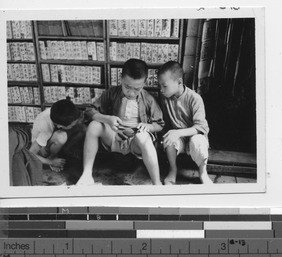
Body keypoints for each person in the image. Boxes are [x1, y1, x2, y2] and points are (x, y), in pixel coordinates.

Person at [77, 58, 164, 186]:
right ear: (121, 79)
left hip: (136, 141)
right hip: (114, 136)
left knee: (143, 136)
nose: (131, 92)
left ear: (144, 83)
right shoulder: (112, 92)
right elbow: (90, 111)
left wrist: (149, 126)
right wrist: (107, 119)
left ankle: (157, 184)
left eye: (137, 89)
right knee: (94, 126)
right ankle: (86, 174)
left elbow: (160, 124)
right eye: (127, 86)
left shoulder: (149, 99)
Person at [158, 61, 213, 185]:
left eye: (164, 86)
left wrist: (177, 133)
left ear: (179, 82)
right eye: (159, 86)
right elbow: (165, 124)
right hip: (179, 139)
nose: (161, 90)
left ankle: (203, 172)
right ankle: (173, 170)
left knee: (198, 141)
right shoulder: (164, 98)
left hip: (195, 135)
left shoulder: (195, 98)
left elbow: (201, 127)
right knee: (169, 139)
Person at [30, 99, 83, 172]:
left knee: (80, 129)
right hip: (42, 149)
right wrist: (51, 162)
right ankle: (51, 158)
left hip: (51, 136)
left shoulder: (58, 112)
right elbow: (31, 153)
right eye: (71, 125)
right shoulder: (45, 129)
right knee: (61, 137)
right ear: (60, 126)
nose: (74, 125)